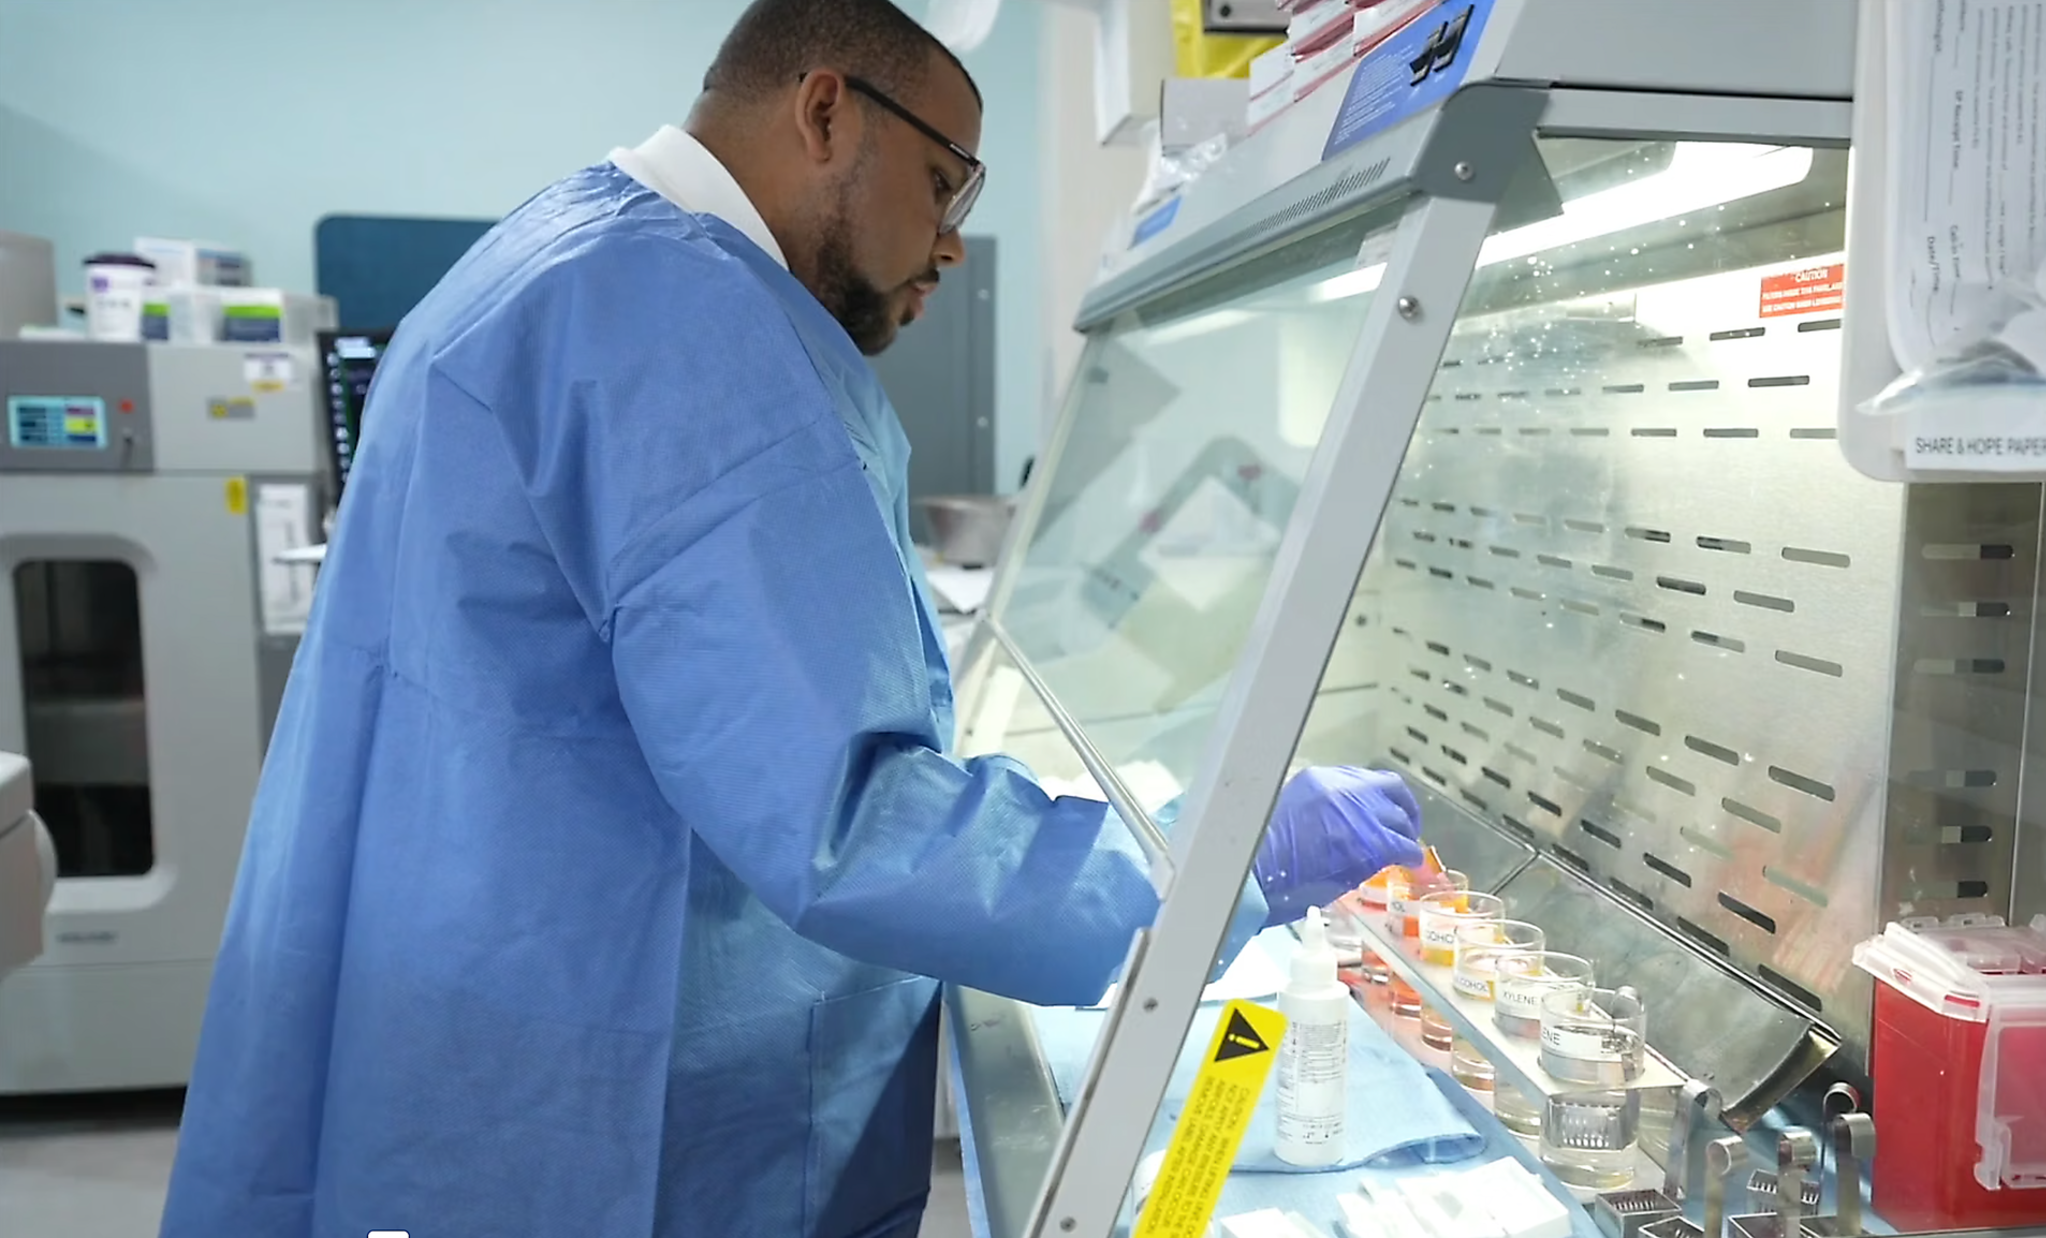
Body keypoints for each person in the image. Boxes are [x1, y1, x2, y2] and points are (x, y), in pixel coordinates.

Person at [157, 3, 1423, 1237]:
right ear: (825, 108)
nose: (950, 245)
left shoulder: (565, 256)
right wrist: (1215, 868)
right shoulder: (690, 322)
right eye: (944, 182)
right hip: (595, 1082)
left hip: (471, 993)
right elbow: (844, 819)